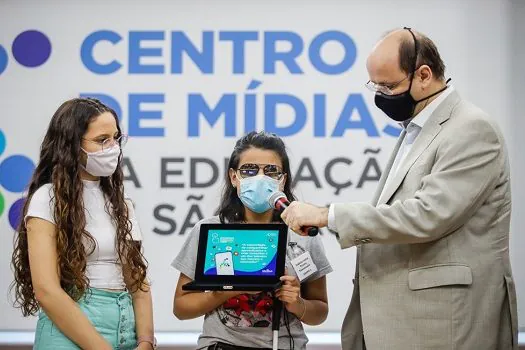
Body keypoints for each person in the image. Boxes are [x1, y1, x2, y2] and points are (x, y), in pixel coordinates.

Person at [281, 27, 518, 349]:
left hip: (443, 322)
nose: (381, 95)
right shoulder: (417, 129)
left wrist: (328, 215)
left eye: (389, 86)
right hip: (404, 320)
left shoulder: (471, 128)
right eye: (375, 85)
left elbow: (428, 215)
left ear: (423, 75)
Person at [11, 98, 156, 350]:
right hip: (69, 333)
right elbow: (46, 290)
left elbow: (138, 282)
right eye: (102, 140)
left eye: (116, 138)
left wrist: (146, 341)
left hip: (125, 330)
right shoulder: (47, 199)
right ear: (72, 144)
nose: (113, 148)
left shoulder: (123, 205)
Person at [171, 131, 332, 350]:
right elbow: (181, 307)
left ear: (282, 179)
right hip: (222, 345)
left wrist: (298, 303)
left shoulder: (301, 233)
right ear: (233, 177)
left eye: (271, 171)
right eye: (249, 170)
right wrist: (225, 291)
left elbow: (320, 311)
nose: (259, 177)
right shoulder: (211, 231)